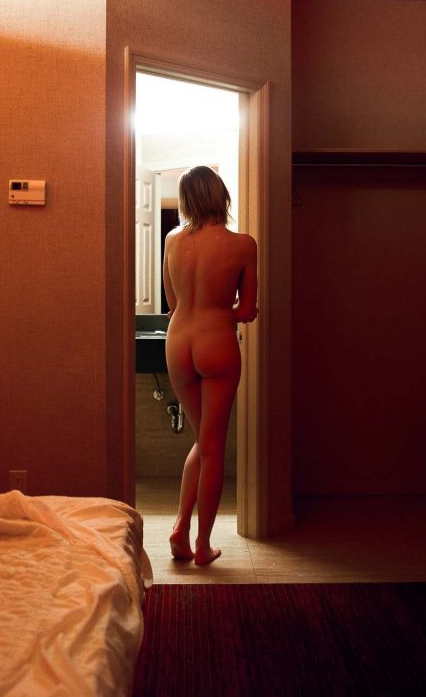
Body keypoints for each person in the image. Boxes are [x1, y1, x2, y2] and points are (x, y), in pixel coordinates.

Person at [162, 165, 258, 565]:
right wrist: (224, 310)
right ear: (221, 196)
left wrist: (199, 305)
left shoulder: (171, 240)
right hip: (215, 342)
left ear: (187, 200)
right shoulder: (243, 244)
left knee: (203, 442)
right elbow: (247, 310)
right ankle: (202, 546)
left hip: (178, 343)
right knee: (213, 447)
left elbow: (173, 304)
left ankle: (179, 529)